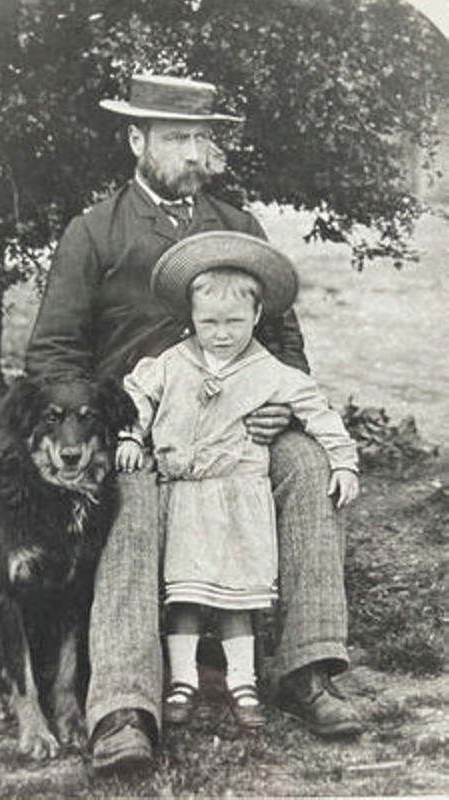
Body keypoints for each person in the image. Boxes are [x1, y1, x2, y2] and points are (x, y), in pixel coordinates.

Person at [25, 73, 364, 773]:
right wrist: (95, 425)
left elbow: (287, 342)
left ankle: (307, 667)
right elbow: (54, 352)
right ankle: (123, 707)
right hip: (140, 424)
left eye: (200, 137)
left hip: (243, 421)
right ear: (135, 139)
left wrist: (277, 403)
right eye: (175, 136)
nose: (191, 150)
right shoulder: (94, 231)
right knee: (133, 498)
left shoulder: (238, 228)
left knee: (307, 463)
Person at [115, 232, 359, 733]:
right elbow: (137, 397)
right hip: (185, 495)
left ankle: (244, 683)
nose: (221, 334)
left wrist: (343, 461)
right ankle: (181, 680)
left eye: (233, 322)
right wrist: (130, 436)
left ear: (256, 316)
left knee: (237, 595)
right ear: (191, 319)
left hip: (238, 499)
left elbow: (319, 412)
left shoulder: (272, 372)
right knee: (183, 592)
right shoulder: (172, 362)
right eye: (208, 323)